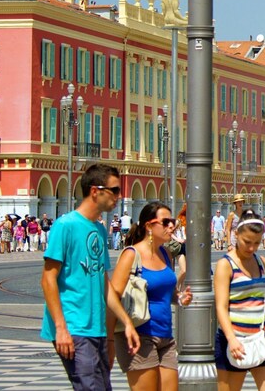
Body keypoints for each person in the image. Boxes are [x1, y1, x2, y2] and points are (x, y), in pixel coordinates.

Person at [41, 163, 140, 390]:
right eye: (114, 190)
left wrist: (126, 323)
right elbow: (48, 279)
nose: (119, 196)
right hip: (74, 326)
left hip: (96, 327)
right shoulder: (65, 226)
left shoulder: (99, 229)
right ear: (95, 191)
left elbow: (103, 283)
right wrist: (61, 328)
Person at [109, 201, 193, 389]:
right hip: (139, 335)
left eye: (172, 221)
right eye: (165, 222)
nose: (172, 225)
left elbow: (167, 292)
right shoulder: (131, 255)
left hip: (166, 336)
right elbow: (112, 296)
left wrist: (179, 298)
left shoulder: (165, 253)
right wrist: (109, 340)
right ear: (148, 226)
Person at [214, 210, 265, 390]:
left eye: (257, 243)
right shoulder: (225, 265)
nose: (251, 248)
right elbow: (220, 306)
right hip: (233, 339)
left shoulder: (262, 262)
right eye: (247, 242)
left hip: (262, 336)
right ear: (237, 235)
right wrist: (231, 338)